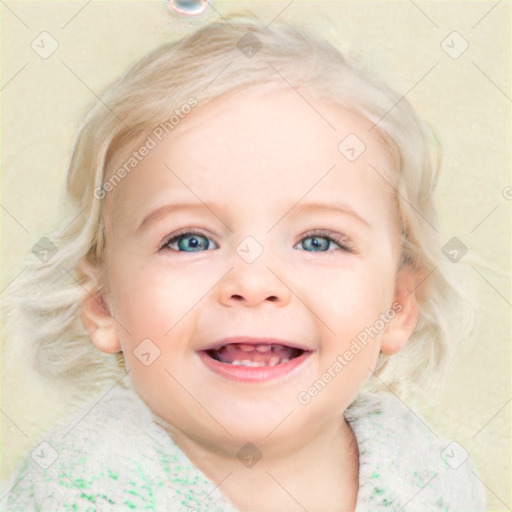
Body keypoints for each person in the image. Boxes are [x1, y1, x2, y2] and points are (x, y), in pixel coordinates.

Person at [2, 14, 486, 512]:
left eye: (318, 242)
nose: (253, 283)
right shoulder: (77, 488)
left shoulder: (426, 471)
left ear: (398, 306)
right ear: (103, 304)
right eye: (189, 241)